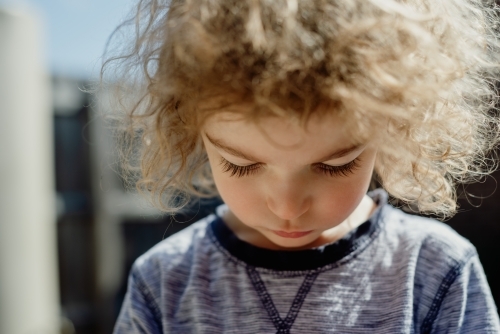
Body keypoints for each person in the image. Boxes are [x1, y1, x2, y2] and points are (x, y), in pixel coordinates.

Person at [104, 0, 500, 332]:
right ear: (191, 130)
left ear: (395, 129)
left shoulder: (435, 271)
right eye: (241, 165)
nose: (288, 207)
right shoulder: (164, 282)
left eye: (335, 165)